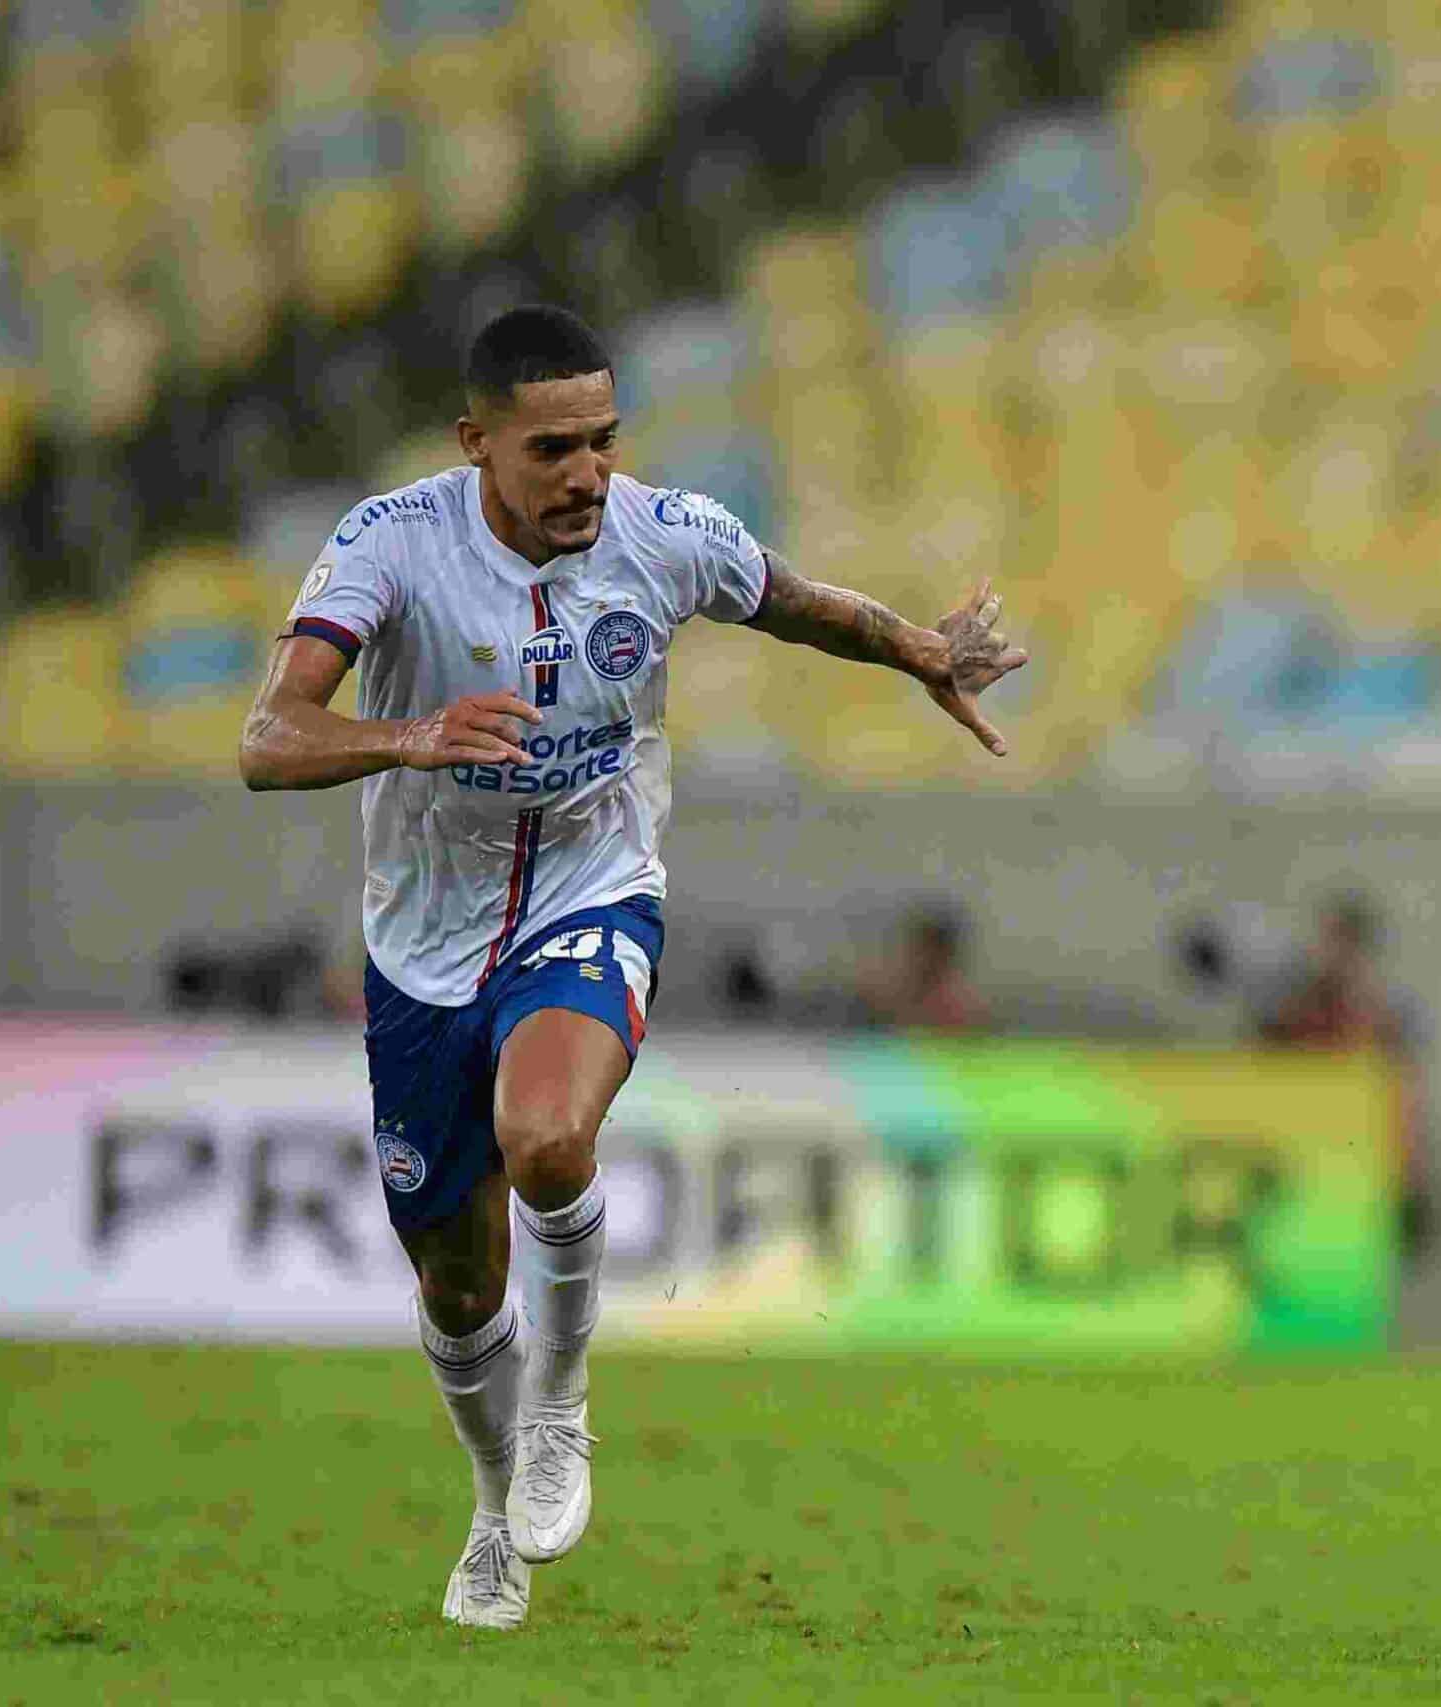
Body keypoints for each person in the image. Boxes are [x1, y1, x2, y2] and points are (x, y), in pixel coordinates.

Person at [238, 305, 1027, 1629]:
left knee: (547, 1136)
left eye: (603, 441)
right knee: (454, 1278)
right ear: (476, 443)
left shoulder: (663, 536)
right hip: (423, 944)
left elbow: (798, 603)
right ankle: (494, 1504)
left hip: (592, 891)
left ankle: (564, 1400)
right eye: (554, 448)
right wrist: (416, 732)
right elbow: (270, 737)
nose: (588, 474)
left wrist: (922, 652)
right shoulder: (389, 544)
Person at [1257, 891, 1433, 1251]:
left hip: (1357, 1173)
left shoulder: (1386, 1014)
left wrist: (1410, 1178)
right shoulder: (1294, 1004)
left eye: (1338, 942)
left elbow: (1403, 1099)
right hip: (1303, 1166)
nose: (1329, 954)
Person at [858, 899, 993, 1033]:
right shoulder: (894, 999)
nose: (919, 957)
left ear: (945, 953)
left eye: (926, 949)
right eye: (915, 948)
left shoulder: (961, 1008)